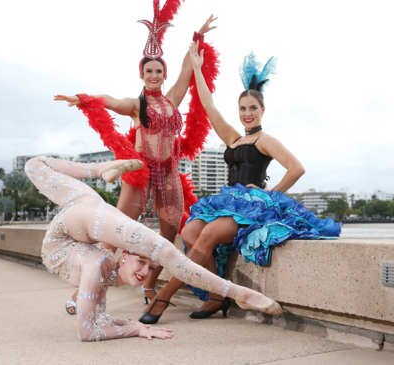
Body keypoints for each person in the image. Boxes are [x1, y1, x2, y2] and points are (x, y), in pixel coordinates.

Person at [139, 43, 341, 324]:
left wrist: (269, 195)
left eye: (253, 108)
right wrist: (197, 68)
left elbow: (297, 168)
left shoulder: (265, 140)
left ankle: (163, 299)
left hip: (250, 206)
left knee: (207, 236)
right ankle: (215, 296)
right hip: (226, 202)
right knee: (188, 233)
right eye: (243, 108)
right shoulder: (234, 138)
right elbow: (209, 106)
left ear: (262, 110)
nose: (247, 113)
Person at [54, 4, 219, 309]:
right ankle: (82, 292)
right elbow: (110, 101)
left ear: (163, 73)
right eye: (148, 71)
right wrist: (83, 99)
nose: (154, 75)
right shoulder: (135, 105)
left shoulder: (172, 100)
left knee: (168, 236)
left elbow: (187, 70)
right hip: (141, 173)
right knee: (113, 231)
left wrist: (198, 36)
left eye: (158, 71)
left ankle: (149, 285)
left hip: (169, 175)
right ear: (141, 74)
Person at [24, 156, 281, 341]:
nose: (145, 272)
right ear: (123, 254)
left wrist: (129, 324)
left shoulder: (99, 260)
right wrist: (135, 328)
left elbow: (98, 321)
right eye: (141, 263)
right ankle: (239, 293)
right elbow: (88, 331)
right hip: (80, 223)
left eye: (150, 268)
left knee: (34, 165)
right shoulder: (96, 263)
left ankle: (100, 168)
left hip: (84, 211)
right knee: (164, 251)